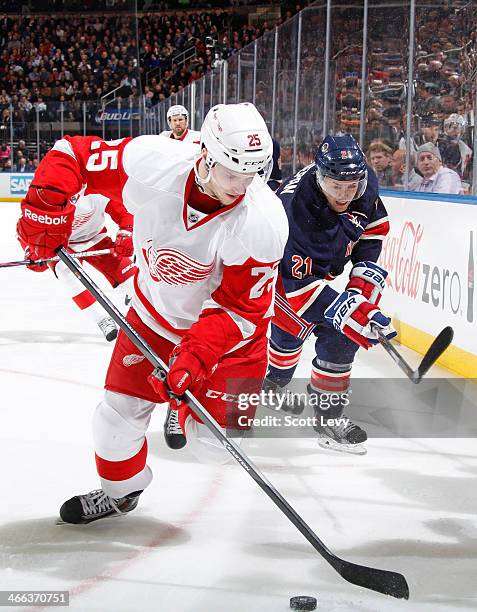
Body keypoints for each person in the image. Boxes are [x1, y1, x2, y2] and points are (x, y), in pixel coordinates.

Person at [17, 102, 288, 524]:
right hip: (153, 319)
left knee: (216, 447)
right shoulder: (155, 161)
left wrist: (194, 359)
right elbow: (73, 154)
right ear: (206, 157)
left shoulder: (263, 221)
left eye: (251, 174)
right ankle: (122, 494)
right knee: (112, 423)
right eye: (231, 173)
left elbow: (239, 311)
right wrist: (45, 207)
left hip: (231, 345)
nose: (241, 185)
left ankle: (185, 406)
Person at [265, 134, 396, 454]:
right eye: (336, 186)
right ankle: (274, 385)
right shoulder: (293, 211)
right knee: (289, 333)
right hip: (281, 273)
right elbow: (297, 290)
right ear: (319, 176)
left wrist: (361, 283)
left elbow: (372, 231)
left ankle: (328, 416)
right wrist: (350, 309)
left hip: (319, 268)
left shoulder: (363, 183)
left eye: (351, 187)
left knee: (342, 336)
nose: (344, 194)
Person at [19, 191, 136, 341]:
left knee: (132, 280)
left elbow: (122, 211)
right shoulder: (47, 194)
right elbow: (26, 226)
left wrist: (126, 232)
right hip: (61, 246)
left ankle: (145, 312)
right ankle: (101, 319)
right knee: (65, 273)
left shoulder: (97, 187)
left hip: (96, 238)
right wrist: (31, 249)